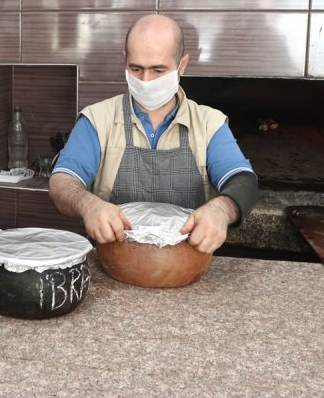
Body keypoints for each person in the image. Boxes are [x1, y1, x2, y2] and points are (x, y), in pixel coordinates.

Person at [49, 14, 258, 254]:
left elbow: (243, 180)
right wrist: (88, 204)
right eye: (135, 68)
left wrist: (221, 210)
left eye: (158, 70)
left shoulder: (209, 124)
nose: (145, 80)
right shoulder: (97, 120)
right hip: (113, 261)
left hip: (188, 262)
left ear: (182, 65)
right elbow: (62, 181)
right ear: (124, 60)